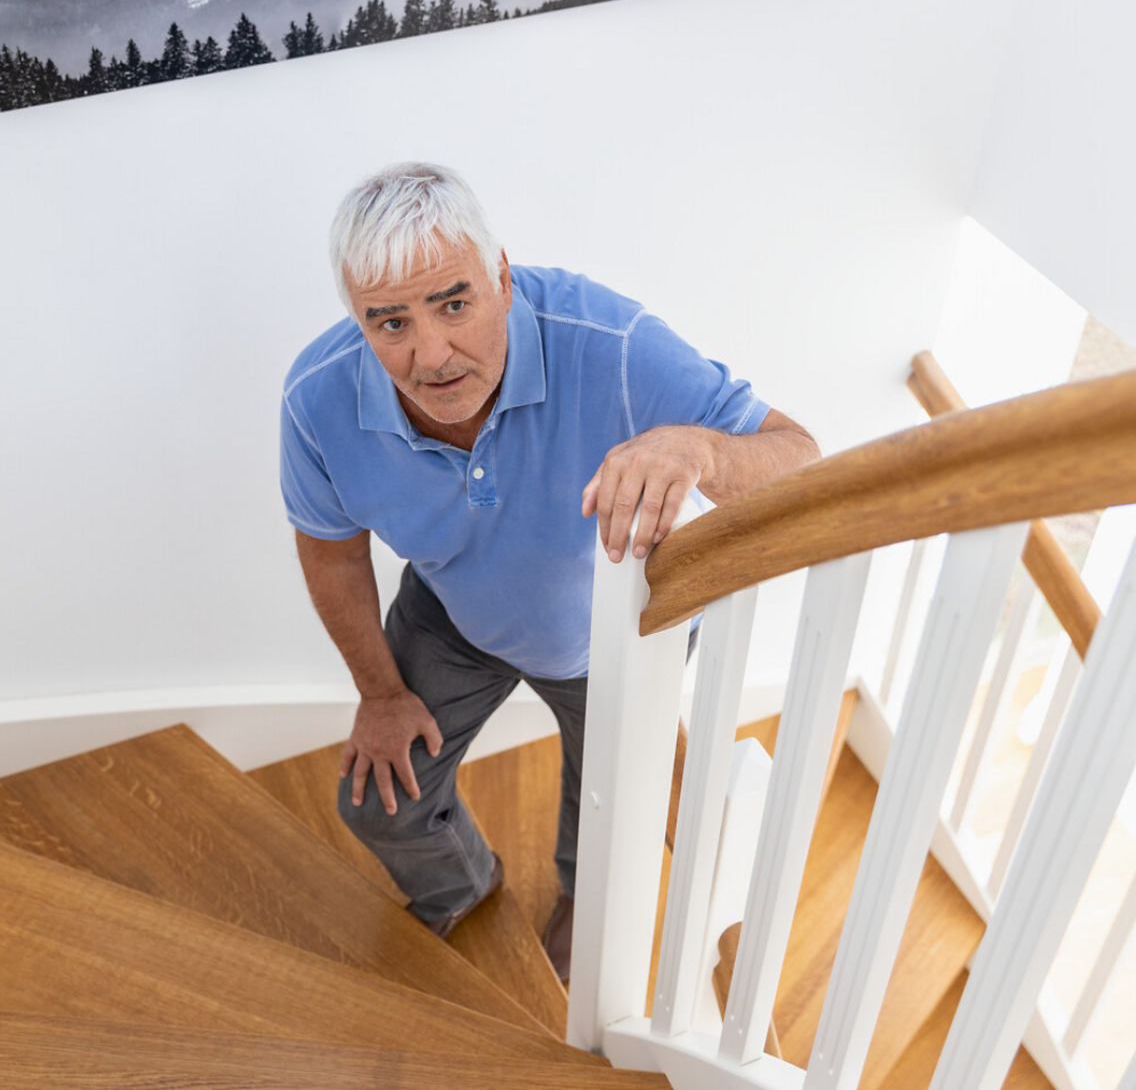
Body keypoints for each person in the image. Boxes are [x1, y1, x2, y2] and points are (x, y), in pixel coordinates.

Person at [280, 162, 819, 978]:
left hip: (612, 621)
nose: (430, 354)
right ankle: (467, 890)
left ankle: (578, 897)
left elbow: (801, 458)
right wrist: (381, 694)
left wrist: (698, 448)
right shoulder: (315, 401)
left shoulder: (617, 347)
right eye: (389, 322)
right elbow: (329, 547)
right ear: (357, 319)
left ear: (501, 276)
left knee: (608, 802)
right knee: (377, 799)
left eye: (454, 304)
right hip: (454, 608)